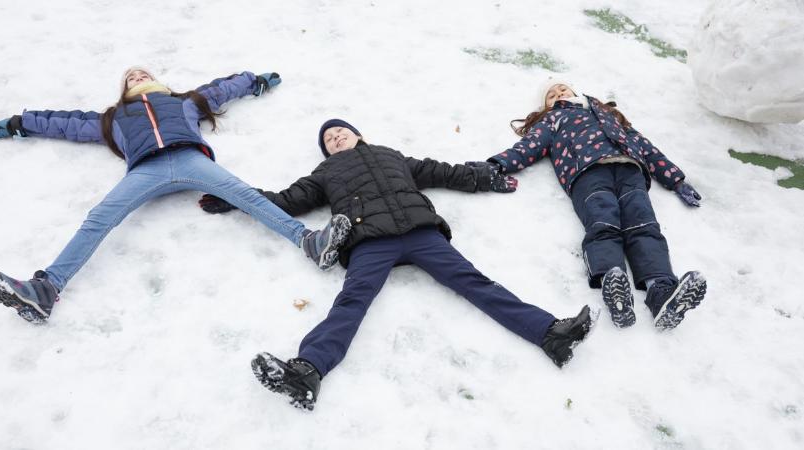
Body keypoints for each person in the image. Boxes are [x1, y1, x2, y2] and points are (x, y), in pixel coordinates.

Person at [199, 119, 595, 411]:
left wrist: (483, 178)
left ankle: (551, 334)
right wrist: (237, 199)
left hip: (422, 233)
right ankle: (307, 371)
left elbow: (443, 172)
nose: (335, 138)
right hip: (369, 241)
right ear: (327, 152)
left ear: (358, 134)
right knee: (352, 301)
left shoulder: (392, 157)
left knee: (476, 283)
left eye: (340, 132)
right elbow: (286, 200)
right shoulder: (324, 173)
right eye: (329, 139)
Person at [0, 67, 351, 324]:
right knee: (99, 217)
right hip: (147, 170)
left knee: (247, 196)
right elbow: (65, 123)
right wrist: (20, 124)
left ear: (156, 80)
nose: (138, 77)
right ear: (124, 88)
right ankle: (46, 288)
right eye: (131, 77)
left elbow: (221, 90)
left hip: (191, 160)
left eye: (143, 74)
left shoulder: (182, 102)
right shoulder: (113, 117)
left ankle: (311, 243)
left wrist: (253, 81)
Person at [479, 81, 707, 330]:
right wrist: (498, 164)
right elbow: (528, 147)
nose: (558, 95)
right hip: (587, 173)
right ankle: (614, 286)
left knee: (644, 225)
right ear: (546, 106)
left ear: (575, 91)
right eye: (551, 96)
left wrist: (676, 179)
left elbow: (647, 148)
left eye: (562, 89)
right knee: (603, 223)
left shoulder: (607, 115)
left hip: (630, 169)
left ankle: (662, 294)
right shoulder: (554, 119)